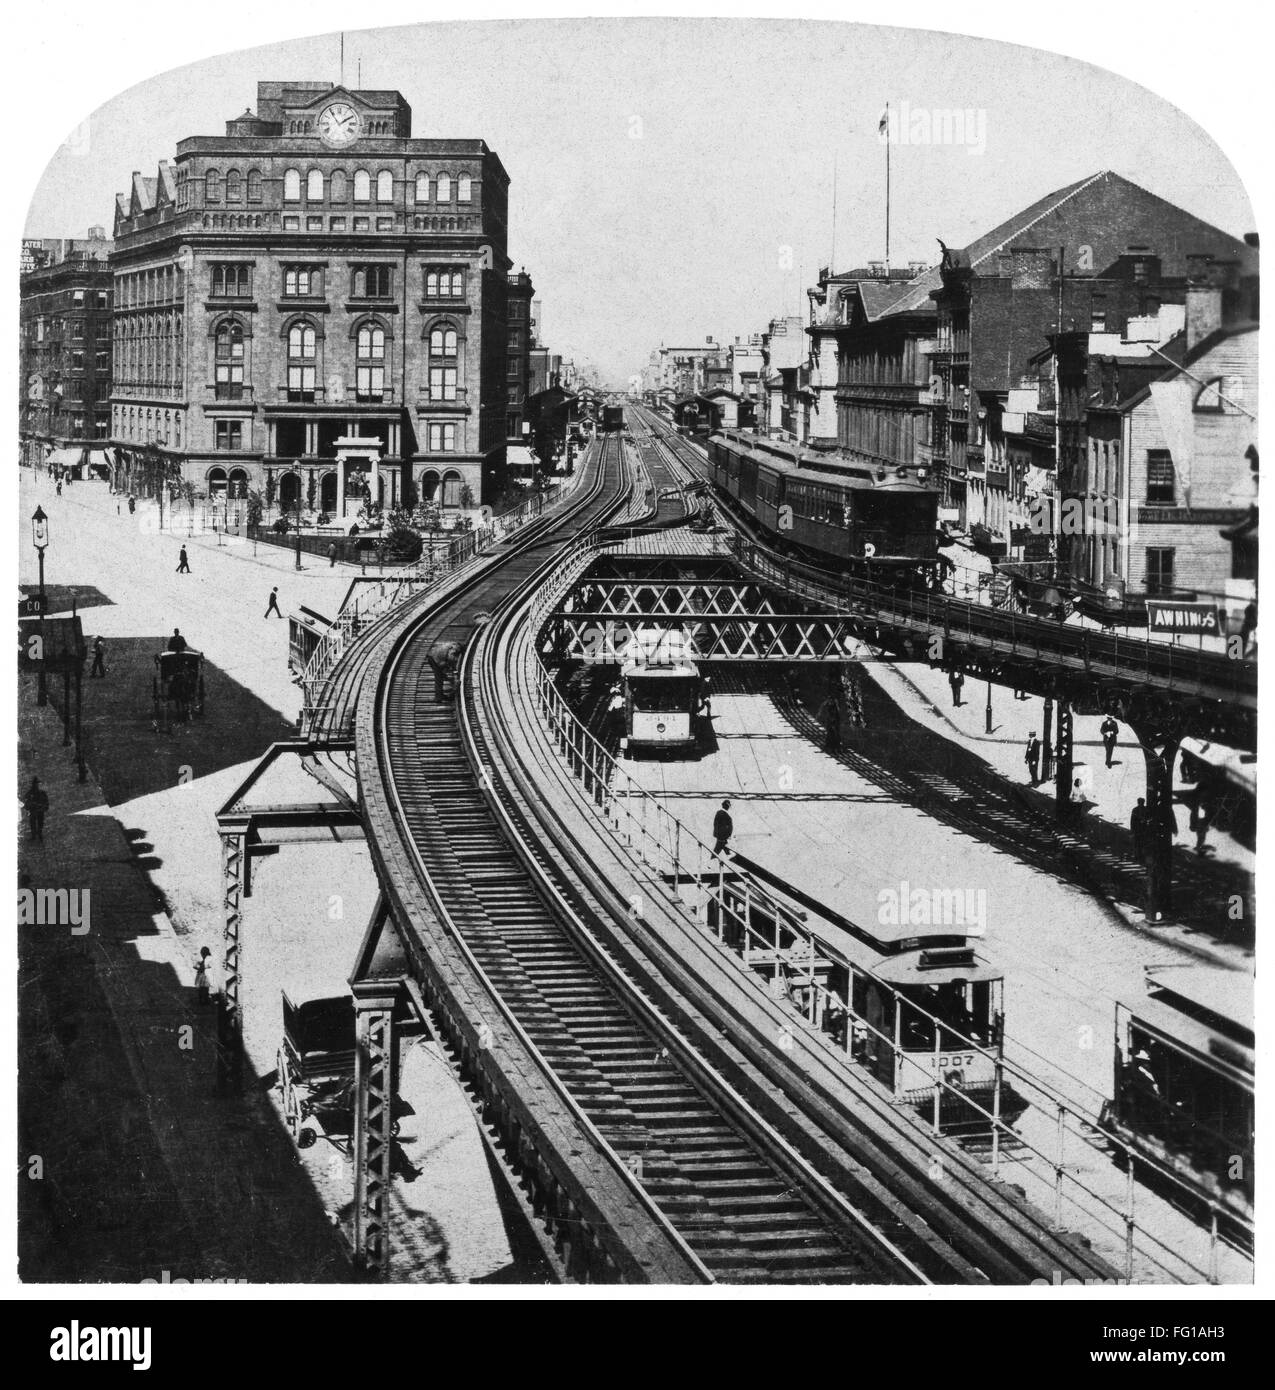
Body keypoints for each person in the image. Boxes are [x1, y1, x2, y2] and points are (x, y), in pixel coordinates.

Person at [22, 777, 49, 842]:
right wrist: (30, 806)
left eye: (38, 784)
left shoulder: (42, 792)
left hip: (40, 810)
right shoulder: (30, 793)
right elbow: (26, 801)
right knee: (33, 823)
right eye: (36, 783)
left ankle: (39, 834)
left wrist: (44, 807)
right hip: (33, 811)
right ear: (34, 784)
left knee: (40, 823)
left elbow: (46, 801)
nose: (37, 785)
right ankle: (34, 836)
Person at [1130, 797, 1148, 863]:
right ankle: (1141, 857)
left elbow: (1132, 821)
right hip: (1143, 830)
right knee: (1142, 844)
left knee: (1138, 844)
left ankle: (1138, 857)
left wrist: (1132, 830)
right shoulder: (1146, 809)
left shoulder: (1135, 809)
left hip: (1138, 830)